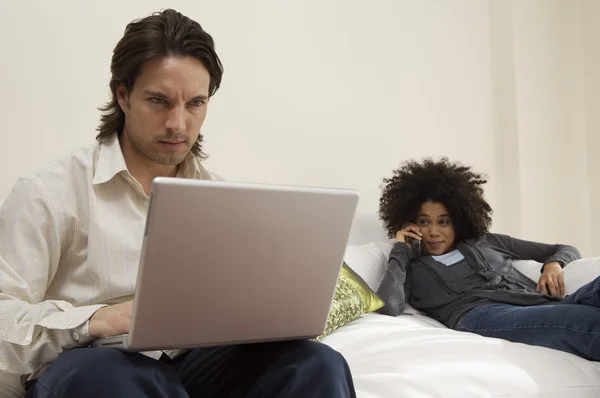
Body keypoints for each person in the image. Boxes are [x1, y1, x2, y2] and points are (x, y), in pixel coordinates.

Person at [0, 9, 356, 398]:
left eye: (195, 104)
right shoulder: (48, 192)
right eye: (159, 101)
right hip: (89, 366)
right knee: (121, 378)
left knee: (316, 363)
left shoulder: (222, 198)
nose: (178, 123)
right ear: (123, 96)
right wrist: (92, 320)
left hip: (191, 364)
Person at [376, 157, 600, 362]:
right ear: (412, 224)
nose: (434, 232)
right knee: (588, 321)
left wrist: (552, 265)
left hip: (539, 302)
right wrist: (401, 250)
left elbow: (564, 248)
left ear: (459, 220)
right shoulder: (413, 267)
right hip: (481, 315)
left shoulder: (486, 241)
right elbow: (388, 306)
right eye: (424, 222)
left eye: (444, 222)